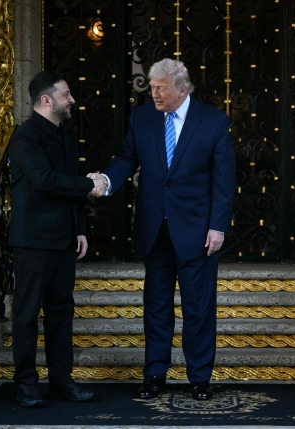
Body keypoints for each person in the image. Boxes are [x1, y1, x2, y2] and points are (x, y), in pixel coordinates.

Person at [89, 58, 236, 400]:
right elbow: (127, 159)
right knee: (156, 307)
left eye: (161, 88)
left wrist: (218, 226)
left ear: (182, 90)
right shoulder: (142, 117)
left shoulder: (213, 121)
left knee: (198, 308)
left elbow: (224, 178)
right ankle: (155, 374)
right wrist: (107, 180)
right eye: (152, 87)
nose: (154, 94)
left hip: (198, 231)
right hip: (154, 229)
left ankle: (199, 378)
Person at [8, 70, 107, 408]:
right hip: (32, 240)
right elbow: (45, 181)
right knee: (26, 315)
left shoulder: (65, 140)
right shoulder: (24, 137)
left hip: (64, 239)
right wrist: (89, 183)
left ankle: (61, 382)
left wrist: (79, 228)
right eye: (66, 94)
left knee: (61, 313)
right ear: (46, 100)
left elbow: (68, 191)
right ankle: (25, 384)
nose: (72, 100)